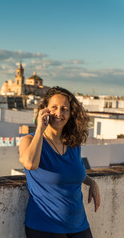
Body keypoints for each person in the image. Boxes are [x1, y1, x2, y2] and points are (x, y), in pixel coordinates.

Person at [19, 86, 100, 238]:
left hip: (78, 225)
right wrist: (39, 129)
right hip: (45, 226)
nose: (59, 113)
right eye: (54, 108)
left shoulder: (73, 144)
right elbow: (30, 163)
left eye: (64, 109)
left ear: (71, 114)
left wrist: (91, 182)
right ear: (44, 110)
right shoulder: (29, 140)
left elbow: (73, 173)